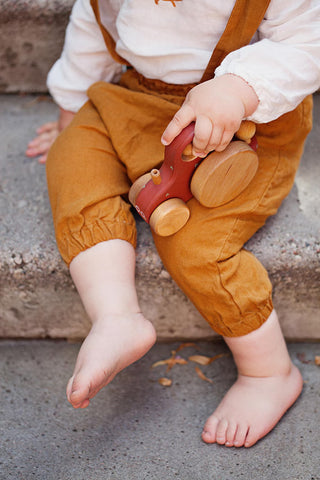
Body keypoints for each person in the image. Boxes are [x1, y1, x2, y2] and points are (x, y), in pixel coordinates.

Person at [26, 0, 320, 448]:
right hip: (136, 97)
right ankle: (116, 316)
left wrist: (238, 89)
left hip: (245, 122)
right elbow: (94, 19)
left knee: (196, 243)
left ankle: (268, 372)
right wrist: (71, 107)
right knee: (73, 161)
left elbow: (306, 42)